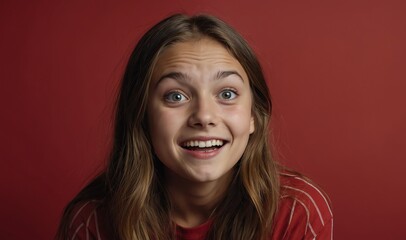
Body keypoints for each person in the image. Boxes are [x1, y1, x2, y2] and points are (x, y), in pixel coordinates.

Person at [56, 14, 333, 240]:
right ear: (141, 116)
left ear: (254, 117)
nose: (204, 116)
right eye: (175, 96)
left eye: (226, 94)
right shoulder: (93, 221)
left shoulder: (298, 211)